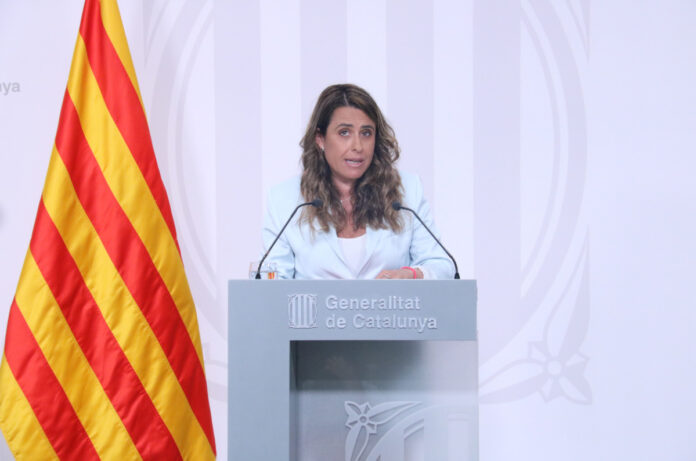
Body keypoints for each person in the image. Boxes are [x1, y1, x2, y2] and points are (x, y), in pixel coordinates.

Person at [262, 83, 454, 280]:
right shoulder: (284, 199)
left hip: (389, 301)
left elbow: (441, 265)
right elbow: (271, 282)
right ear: (320, 138)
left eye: (366, 133)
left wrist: (411, 274)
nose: (358, 146)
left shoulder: (407, 190)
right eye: (344, 132)